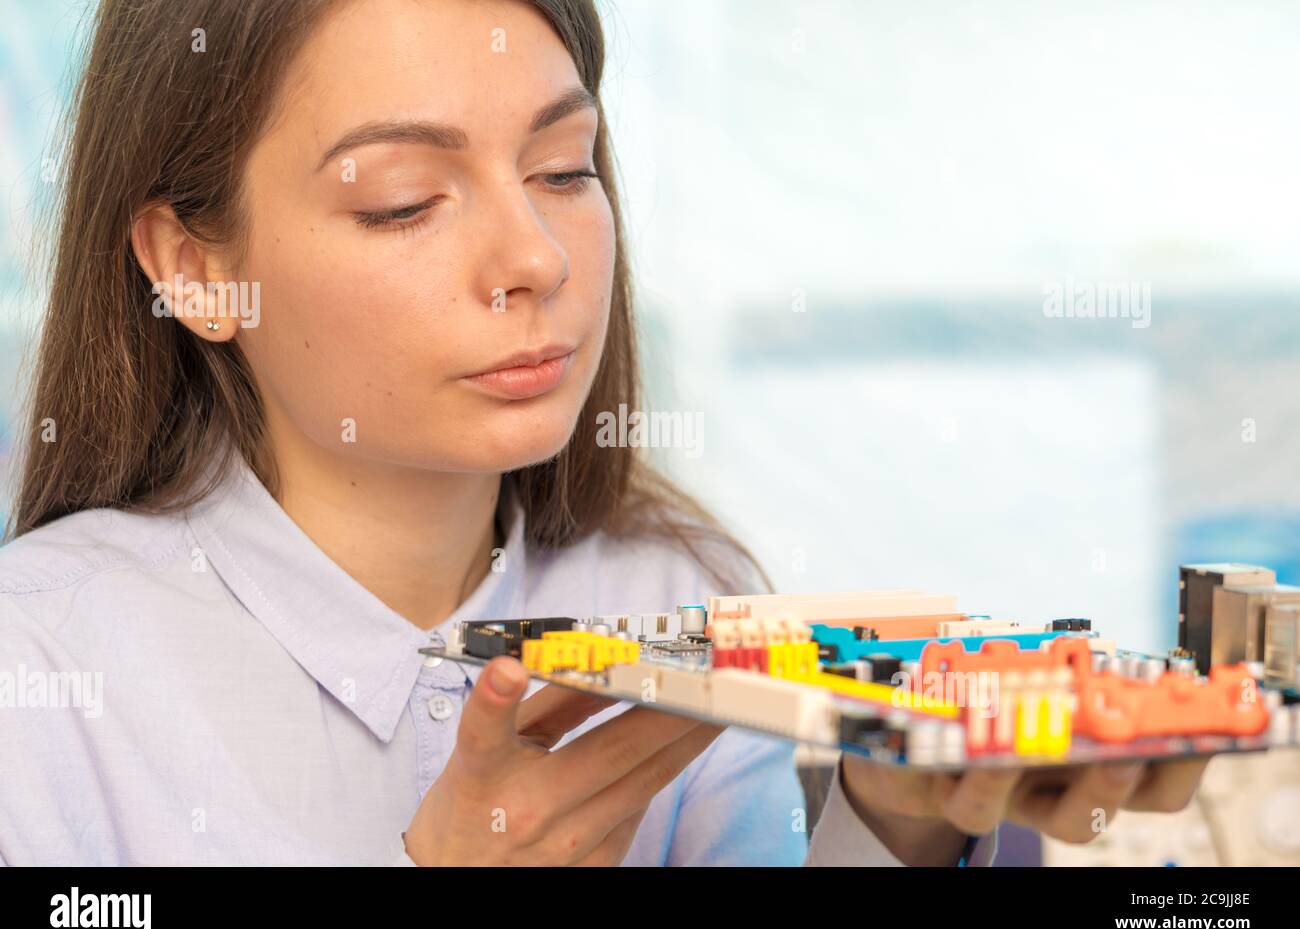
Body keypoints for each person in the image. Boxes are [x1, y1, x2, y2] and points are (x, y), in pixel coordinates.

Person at [0, 0, 1207, 866]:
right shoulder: (43, 670)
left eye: (565, 170)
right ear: (193, 268)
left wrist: (899, 817)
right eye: (402, 202)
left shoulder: (668, 590)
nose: (534, 257)